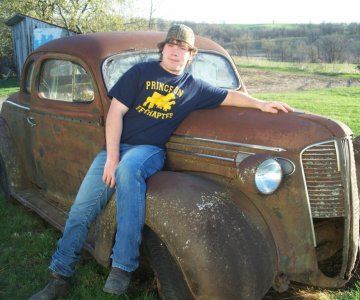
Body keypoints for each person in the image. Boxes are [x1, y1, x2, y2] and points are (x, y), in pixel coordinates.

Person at [29, 24, 294, 300]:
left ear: (190, 55)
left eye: (183, 49)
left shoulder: (192, 86)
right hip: (116, 149)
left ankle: (122, 265)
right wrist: (111, 158)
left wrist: (261, 103)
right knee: (80, 212)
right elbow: (115, 114)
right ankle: (59, 277)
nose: (176, 52)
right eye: (172, 46)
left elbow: (229, 95)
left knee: (130, 169)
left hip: (149, 151)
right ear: (163, 48)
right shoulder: (140, 73)